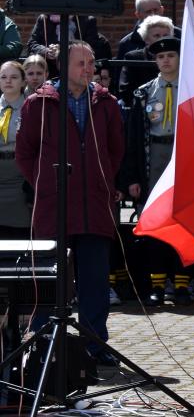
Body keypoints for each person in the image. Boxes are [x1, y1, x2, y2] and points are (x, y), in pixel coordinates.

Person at [16, 41, 124, 365]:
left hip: (94, 207)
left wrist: (99, 178)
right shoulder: (38, 103)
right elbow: (25, 153)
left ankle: (94, 345)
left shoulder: (106, 103)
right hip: (54, 207)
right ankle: (42, 343)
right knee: (51, 279)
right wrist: (45, 184)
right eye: (82, 63)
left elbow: (115, 150)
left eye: (91, 63)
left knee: (94, 279)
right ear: (64, 65)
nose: (89, 69)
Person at [118, 37, 194, 306]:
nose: (165, 60)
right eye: (160, 56)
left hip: (183, 156)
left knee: (184, 220)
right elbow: (132, 139)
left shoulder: (192, 90)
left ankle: (181, 283)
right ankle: (156, 284)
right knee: (156, 224)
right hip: (154, 157)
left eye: (171, 56)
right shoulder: (144, 92)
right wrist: (132, 178)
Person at [0, 61, 30, 239]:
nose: (8, 81)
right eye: (3, 77)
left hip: (20, 175)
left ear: (23, 81)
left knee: (20, 231)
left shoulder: (30, 108)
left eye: (13, 77)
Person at [26, 14, 112, 75]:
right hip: (51, 72)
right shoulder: (44, 19)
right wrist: (47, 51)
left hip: (78, 71)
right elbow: (32, 43)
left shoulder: (87, 20)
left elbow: (91, 47)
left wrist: (64, 50)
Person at [115, 15, 175, 103]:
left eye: (165, 35)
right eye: (157, 36)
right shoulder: (133, 58)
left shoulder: (178, 58)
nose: (162, 39)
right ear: (146, 39)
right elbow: (125, 91)